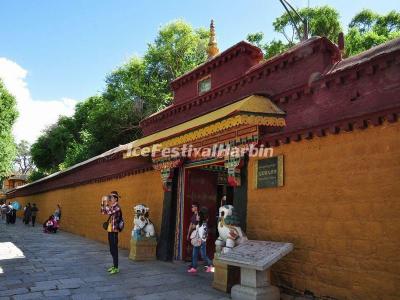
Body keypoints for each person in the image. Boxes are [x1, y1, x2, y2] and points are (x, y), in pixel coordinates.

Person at [101, 191, 122, 275]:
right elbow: (103, 212)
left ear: (116, 198)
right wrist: (103, 203)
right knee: (111, 249)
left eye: (112, 198)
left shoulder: (117, 207)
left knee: (114, 249)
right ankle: (114, 266)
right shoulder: (112, 207)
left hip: (114, 231)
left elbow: (109, 211)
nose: (110, 199)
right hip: (110, 230)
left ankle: (116, 268)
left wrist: (105, 202)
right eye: (110, 198)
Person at [188, 207, 213, 273]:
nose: (196, 216)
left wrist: (202, 240)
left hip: (202, 242)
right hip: (196, 241)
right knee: (194, 254)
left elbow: (205, 233)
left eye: (198, 215)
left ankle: (210, 265)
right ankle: (194, 267)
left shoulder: (204, 224)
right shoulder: (198, 224)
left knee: (203, 255)